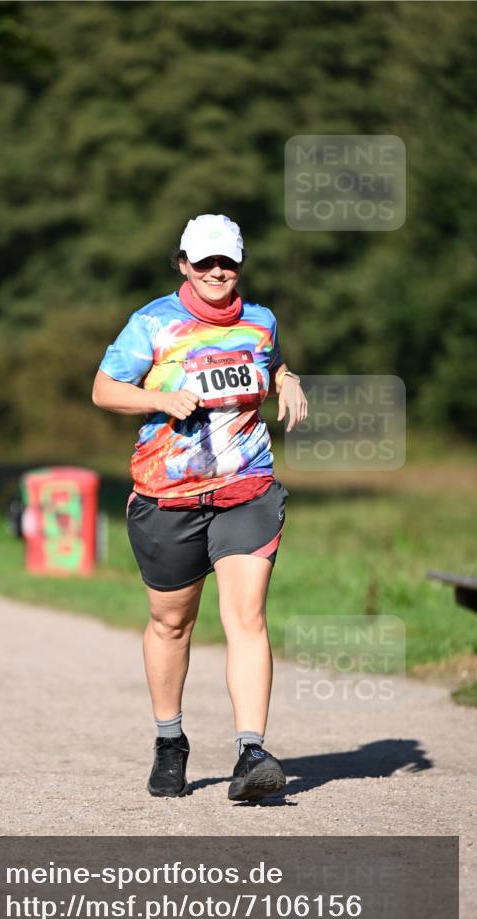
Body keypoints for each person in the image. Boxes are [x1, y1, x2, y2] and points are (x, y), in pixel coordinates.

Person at [92, 214, 307, 802]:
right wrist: (159, 397)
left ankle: (251, 752)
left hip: (248, 491)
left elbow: (272, 361)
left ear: (240, 264)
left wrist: (287, 379)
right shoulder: (154, 323)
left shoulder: (260, 322)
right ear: (184, 264)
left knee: (248, 616)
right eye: (204, 262)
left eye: (227, 262)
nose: (217, 272)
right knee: (172, 622)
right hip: (168, 497)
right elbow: (104, 388)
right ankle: (170, 741)